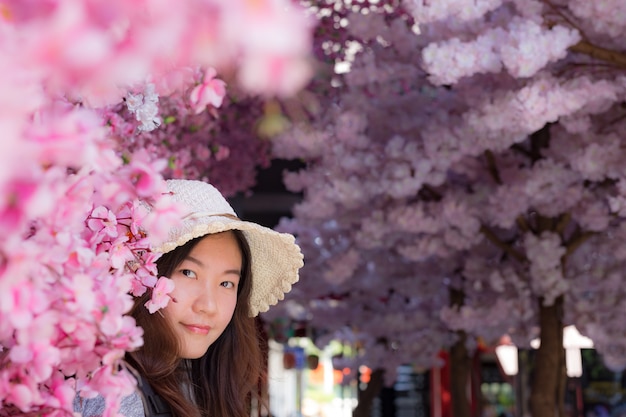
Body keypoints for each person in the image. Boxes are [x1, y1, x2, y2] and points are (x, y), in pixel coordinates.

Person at [74, 179, 304, 417]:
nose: (208, 306)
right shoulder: (115, 393)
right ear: (142, 277)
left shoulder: (195, 387)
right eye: (188, 273)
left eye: (226, 283)